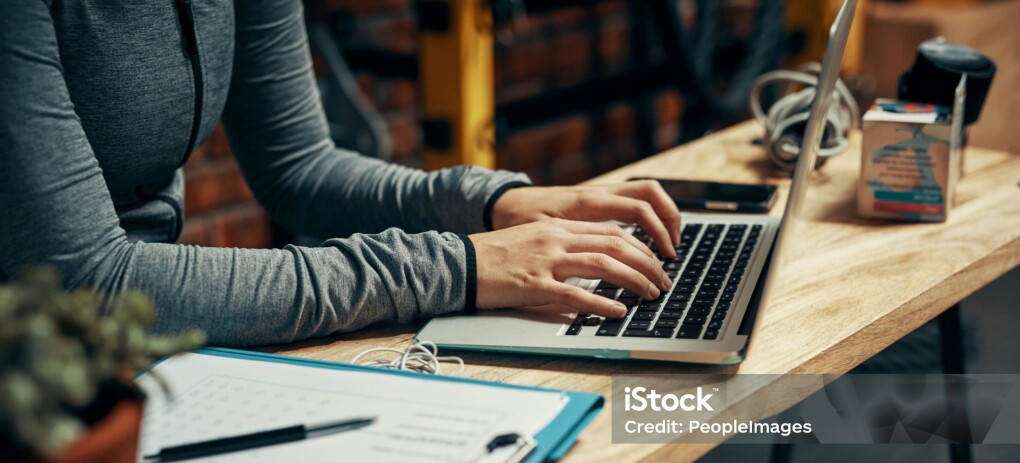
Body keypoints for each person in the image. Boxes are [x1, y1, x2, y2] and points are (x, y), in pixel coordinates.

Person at [0, 0, 679, 346]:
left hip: (135, 345)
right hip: (36, 376)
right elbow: (91, 281)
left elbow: (299, 168)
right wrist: (456, 267)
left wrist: (490, 203)